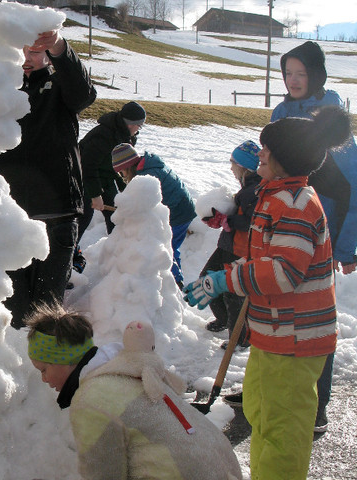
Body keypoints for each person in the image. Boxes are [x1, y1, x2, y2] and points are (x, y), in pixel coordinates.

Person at [183, 106, 351, 480]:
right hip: (274, 333)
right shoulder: (275, 197)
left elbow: (283, 271)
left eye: (265, 149)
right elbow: (262, 254)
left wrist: (227, 281)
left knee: (282, 428)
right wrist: (225, 266)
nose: (260, 154)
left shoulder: (296, 204)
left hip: (295, 337)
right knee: (260, 409)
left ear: (283, 158)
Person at [0, 7, 96, 329]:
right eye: (24, 50)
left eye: (37, 52)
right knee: (14, 310)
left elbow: (85, 92)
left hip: (58, 215)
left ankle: (47, 375)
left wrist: (59, 45)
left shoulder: (62, 89)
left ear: (47, 56)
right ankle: (18, 374)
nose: (29, 57)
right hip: (10, 217)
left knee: (49, 313)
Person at [26, 304, 242, 480]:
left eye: (44, 369)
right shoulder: (129, 365)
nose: (44, 379)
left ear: (63, 360)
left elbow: (102, 473)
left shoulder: (91, 400)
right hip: (223, 465)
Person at [270, 40, 357, 433]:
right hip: (282, 226)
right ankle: (271, 385)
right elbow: (269, 172)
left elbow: (352, 187)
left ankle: (317, 404)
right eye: (287, 73)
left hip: (321, 231)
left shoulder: (332, 119)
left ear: (317, 75)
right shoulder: (281, 111)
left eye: (300, 73)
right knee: (274, 305)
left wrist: (346, 246)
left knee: (315, 319)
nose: (293, 80)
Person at [200, 140, 261, 350]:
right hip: (228, 246)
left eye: (233, 162)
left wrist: (227, 219)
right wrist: (221, 218)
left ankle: (240, 337)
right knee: (207, 280)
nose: (231, 167)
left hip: (239, 250)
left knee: (232, 292)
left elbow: (253, 221)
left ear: (244, 166)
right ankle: (225, 320)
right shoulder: (248, 188)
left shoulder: (253, 190)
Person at [73, 101, 147, 274]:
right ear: (129, 123)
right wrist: (95, 195)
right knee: (83, 217)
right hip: (83, 177)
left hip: (104, 178)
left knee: (116, 215)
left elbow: (121, 167)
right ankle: (69, 255)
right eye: (138, 125)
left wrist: (128, 187)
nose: (139, 129)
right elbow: (87, 166)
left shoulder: (127, 137)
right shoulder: (103, 135)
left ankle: (118, 258)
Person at [111, 143, 196, 287]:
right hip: (182, 207)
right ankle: (174, 279)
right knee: (170, 247)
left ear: (127, 166)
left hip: (179, 213)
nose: (121, 176)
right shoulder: (147, 165)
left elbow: (143, 205)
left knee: (167, 247)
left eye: (121, 172)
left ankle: (176, 283)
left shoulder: (147, 176)